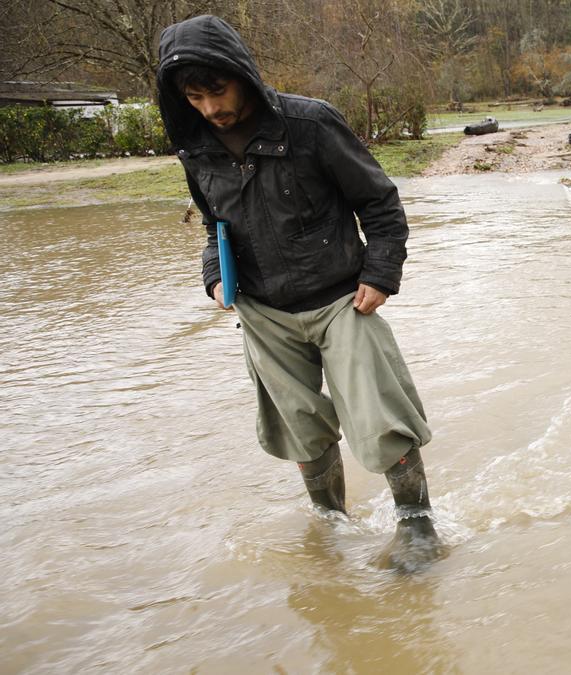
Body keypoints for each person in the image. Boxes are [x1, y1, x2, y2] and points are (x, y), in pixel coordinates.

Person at [156, 15, 439, 571]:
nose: (211, 108)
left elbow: (379, 202)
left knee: (382, 418)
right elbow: (216, 224)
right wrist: (215, 276)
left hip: (343, 300)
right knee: (299, 429)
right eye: (194, 96)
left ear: (242, 73)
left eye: (218, 89)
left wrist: (381, 274)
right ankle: (332, 527)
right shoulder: (195, 150)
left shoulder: (310, 124)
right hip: (263, 312)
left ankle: (417, 526)